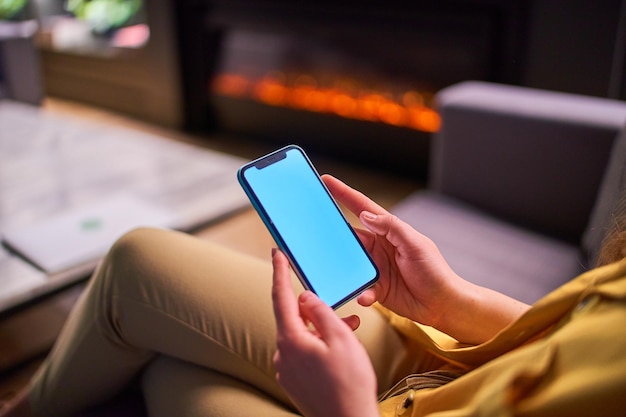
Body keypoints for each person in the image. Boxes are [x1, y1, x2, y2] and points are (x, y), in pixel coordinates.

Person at [2, 175, 625, 417]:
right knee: (140, 260)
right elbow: (575, 336)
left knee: (170, 368)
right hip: (456, 363)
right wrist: (451, 305)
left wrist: (346, 411)